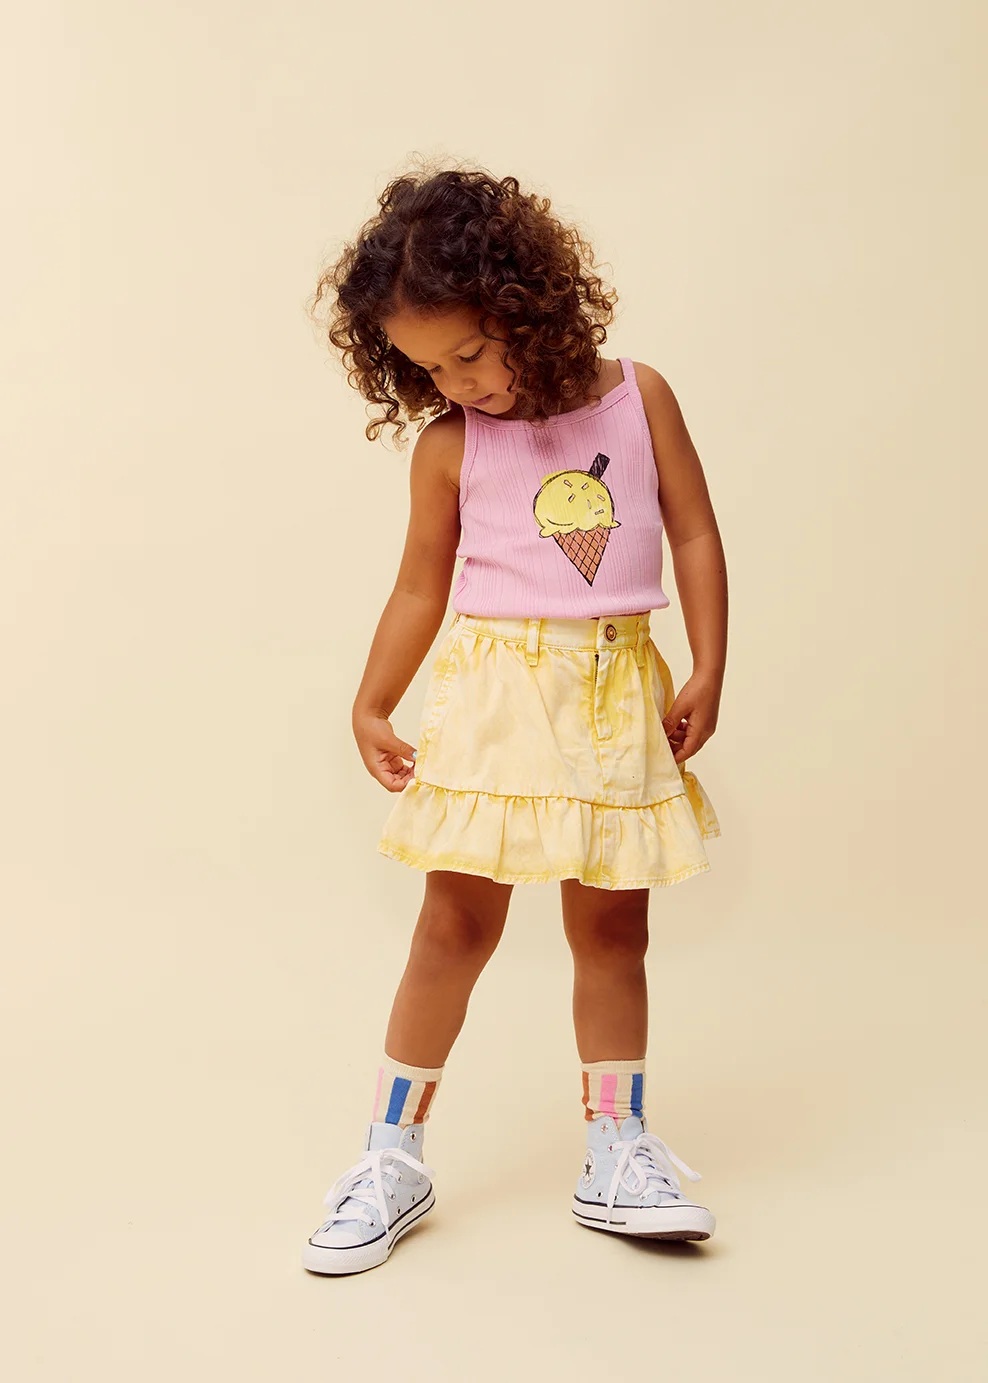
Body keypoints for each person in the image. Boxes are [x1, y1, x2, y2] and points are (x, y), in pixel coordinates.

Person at [301, 164, 727, 1275]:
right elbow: (418, 587)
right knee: (454, 926)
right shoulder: (450, 448)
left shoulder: (639, 398)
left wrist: (710, 663)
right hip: (495, 699)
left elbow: (692, 531)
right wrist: (372, 699)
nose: (459, 383)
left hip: (617, 694)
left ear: (525, 304)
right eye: (429, 369)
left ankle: (616, 1147)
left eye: (472, 353)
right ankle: (391, 1154)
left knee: (614, 932)